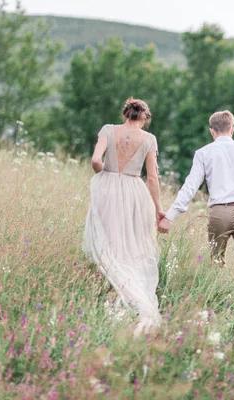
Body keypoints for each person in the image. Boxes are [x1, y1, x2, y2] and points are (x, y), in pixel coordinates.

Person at [158, 110, 234, 316]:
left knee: (215, 264)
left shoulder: (203, 153)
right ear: (233, 129)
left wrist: (170, 216)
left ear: (212, 131)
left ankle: (213, 312)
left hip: (219, 213)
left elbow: (190, 187)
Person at [83, 97, 164, 336]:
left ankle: (110, 288)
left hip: (107, 187)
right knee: (129, 244)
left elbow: (96, 160)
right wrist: (158, 208)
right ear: (145, 118)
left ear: (125, 114)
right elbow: (152, 178)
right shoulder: (149, 139)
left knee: (107, 239)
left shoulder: (108, 130)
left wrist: (103, 175)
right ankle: (129, 295)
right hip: (133, 192)